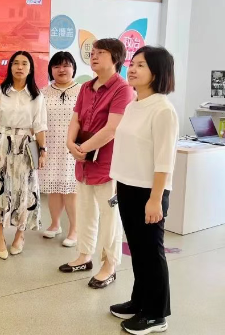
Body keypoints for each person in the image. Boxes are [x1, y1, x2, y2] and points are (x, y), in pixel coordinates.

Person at [109, 46, 178, 335]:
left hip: (150, 192)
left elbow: (164, 161)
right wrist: (120, 184)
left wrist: (155, 200)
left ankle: (156, 315)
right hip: (128, 187)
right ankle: (140, 301)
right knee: (138, 251)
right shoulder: (134, 104)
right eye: (133, 63)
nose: (133, 69)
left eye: (141, 65)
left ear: (157, 72)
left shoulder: (163, 110)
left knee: (151, 252)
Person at [58, 38, 133, 289]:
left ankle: (110, 265)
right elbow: (76, 120)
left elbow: (112, 129)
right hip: (84, 162)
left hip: (107, 164)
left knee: (110, 217)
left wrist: (82, 148)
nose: (94, 56)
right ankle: (84, 256)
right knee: (85, 210)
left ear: (116, 59)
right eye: (93, 53)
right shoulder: (86, 87)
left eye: (101, 53)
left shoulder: (122, 89)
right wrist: (70, 143)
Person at [0, 51, 48, 259]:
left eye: (24, 63)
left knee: (25, 189)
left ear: (30, 68)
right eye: (16, 63)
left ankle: (20, 234)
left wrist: (43, 151)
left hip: (25, 144)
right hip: (1, 141)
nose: (20, 67)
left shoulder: (36, 96)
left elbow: (40, 126)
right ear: (10, 67)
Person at [40, 51, 81, 247]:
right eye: (56, 66)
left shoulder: (83, 91)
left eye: (66, 65)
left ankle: (74, 230)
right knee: (53, 189)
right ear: (51, 70)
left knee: (71, 190)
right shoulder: (43, 93)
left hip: (73, 148)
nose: (61, 70)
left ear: (73, 68)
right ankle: (55, 224)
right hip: (50, 147)